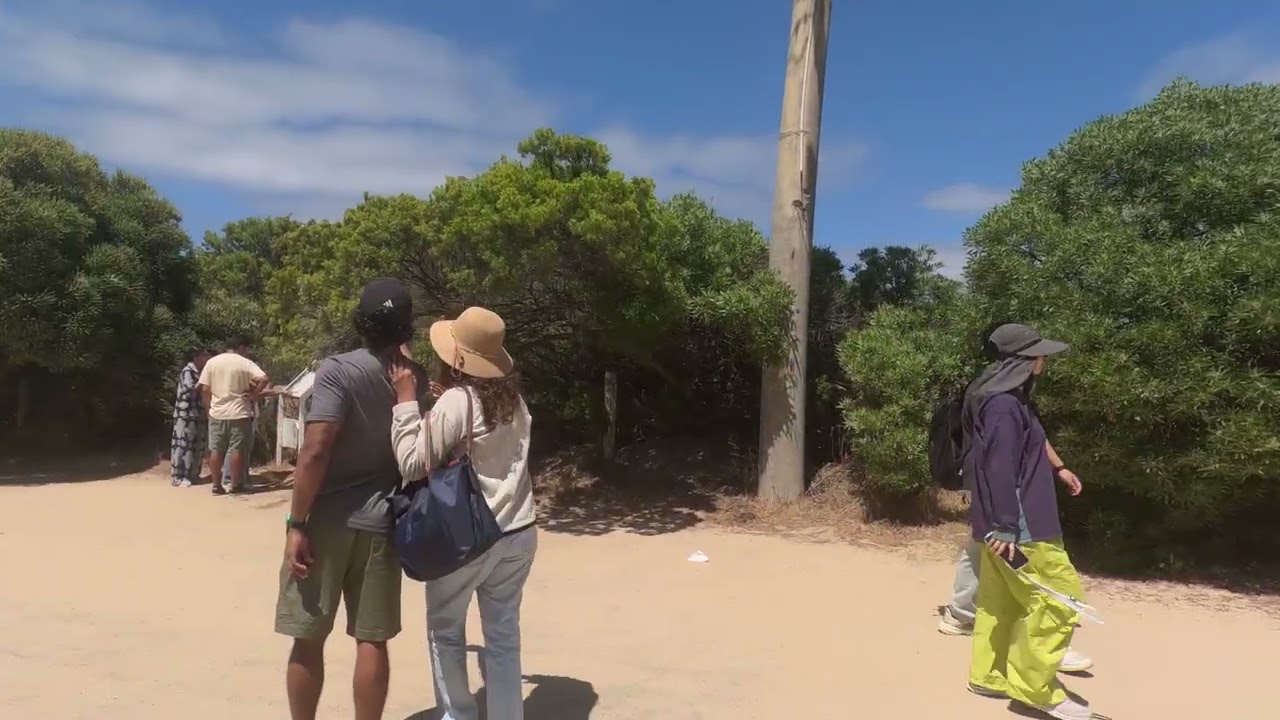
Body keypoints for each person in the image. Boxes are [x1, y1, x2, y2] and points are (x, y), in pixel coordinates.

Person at [275, 278, 427, 720]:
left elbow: (317, 448)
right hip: (382, 521)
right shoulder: (412, 379)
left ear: (361, 322)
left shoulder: (338, 369)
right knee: (371, 638)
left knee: (307, 637)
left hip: (326, 520)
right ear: (406, 326)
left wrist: (296, 523)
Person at [388, 306, 536, 720]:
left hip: (469, 532)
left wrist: (405, 405)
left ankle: (459, 715)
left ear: (455, 358)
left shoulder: (457, 400)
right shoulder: (516, 403)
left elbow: (412, 463)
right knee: (503, 636)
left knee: (446, 631)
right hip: (520, 530)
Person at [962, 324, 1097, 720]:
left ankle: (990, 674)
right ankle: (1036, 690)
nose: (1046, 360)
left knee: (999, 603)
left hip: (998, 524)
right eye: (1041, 354)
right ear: (1024, 360)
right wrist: (1006, 527)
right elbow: (999, 466)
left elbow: (1033, 440)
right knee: (1059, 600)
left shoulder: (1004, 397)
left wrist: (1058, 468)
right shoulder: (1003, 406)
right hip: (1020, 529)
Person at [199, 337, 269, 495]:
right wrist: (253, 395)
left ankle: (216, 485)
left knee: (215, 449)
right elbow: (264, 378)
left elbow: (204, 388)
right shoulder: (244, 362)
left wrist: (208, 408)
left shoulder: (212, 362)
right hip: (239, 412)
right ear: (240, 347)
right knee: (237, 449)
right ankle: (236, 484)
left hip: (217, 412)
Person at [170, 348, 212, 487]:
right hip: (186, 414)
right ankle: (178, 476)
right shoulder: (187, 371)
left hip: (199, 414)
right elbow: (191, 391)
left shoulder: (201, 373)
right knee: (183, 445)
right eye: (205, 357)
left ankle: (193, 474)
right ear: (197, 357)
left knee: (198, 445)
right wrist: (202, 381)